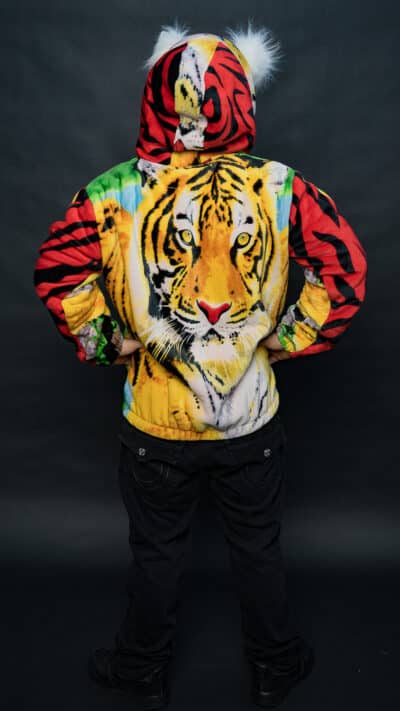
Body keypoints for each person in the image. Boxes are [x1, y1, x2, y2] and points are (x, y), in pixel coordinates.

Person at [33, 20, 368, 710]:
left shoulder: (114, 190)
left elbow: (56, 271)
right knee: (260, 549)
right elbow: (345, 270)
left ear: (157, 96)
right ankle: (275, 666)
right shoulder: (280, 187)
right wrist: (286, 338)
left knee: (156, 556)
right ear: (243, 100)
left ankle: (141, 670)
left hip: (154, 430)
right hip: (252, 425)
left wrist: (108, 338)